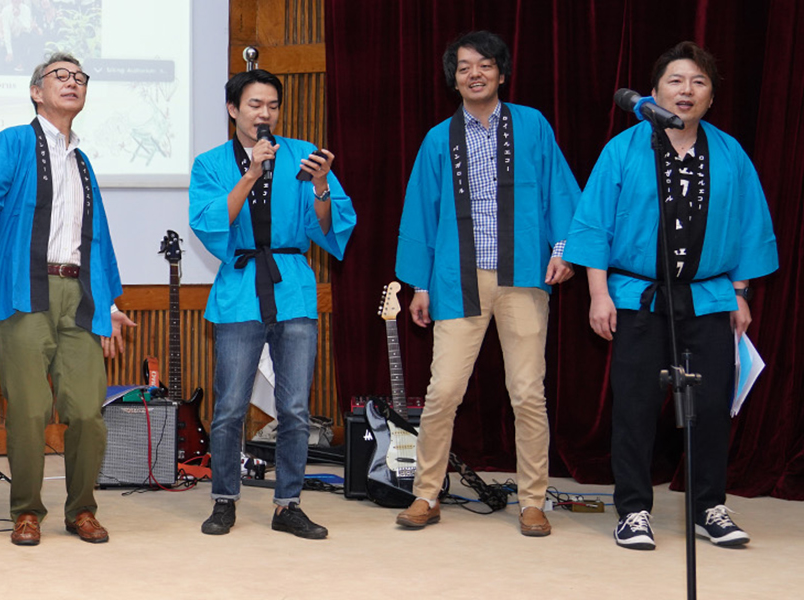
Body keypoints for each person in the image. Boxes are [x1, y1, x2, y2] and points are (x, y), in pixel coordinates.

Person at [565, 41, 776, 552]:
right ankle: (634, 510)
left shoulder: (730, 153)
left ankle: (710, 507)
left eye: (698, 82)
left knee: (707, 404)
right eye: (676, 81)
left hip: (708, 298)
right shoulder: (624, 148)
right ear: (655, 91)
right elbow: (594, 223)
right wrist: (598, 294)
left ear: (710, 98)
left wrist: (740, 293)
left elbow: (749, 226)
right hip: (638, 297)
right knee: (634, 406)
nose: (686, 91)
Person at [0, 51, 133, 546]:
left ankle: (81, 510)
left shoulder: (82, 161)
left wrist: (107, 303)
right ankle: (26, 510)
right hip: (27, 290)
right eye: (59, 76)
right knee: (28, 409)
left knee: (87, 410)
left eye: (79, 77)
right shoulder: (16, 142)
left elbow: (97, 237)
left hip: (80, 295)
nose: (72, 83)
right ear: (35, 91)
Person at [393, 31, 581, 537]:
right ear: (453, 80)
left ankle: (532, 501)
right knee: (443, 391)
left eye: (484, 65)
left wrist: (563, 250)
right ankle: (426, 494)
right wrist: (421, 285)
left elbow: (560, 190)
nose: (474, 74)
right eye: (463, 68)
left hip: (522, 276)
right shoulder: (439, 138)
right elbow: (421, 212)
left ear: (501, 72)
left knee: (527, 392)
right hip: (458, 278)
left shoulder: (532, 125)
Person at [188, 69, 352, 540]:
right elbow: (210, 221)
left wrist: (321, 187)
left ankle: (289, 505)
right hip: (241, 287)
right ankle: (224, 500)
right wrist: (252, 172)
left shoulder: (303, 156)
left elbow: (328, 227)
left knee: (296, 408)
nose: (265, 114)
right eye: (255, 104)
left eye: (273, 106)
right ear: (233, 109)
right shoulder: (211, 163)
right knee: (229, 407)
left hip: (293, 285)